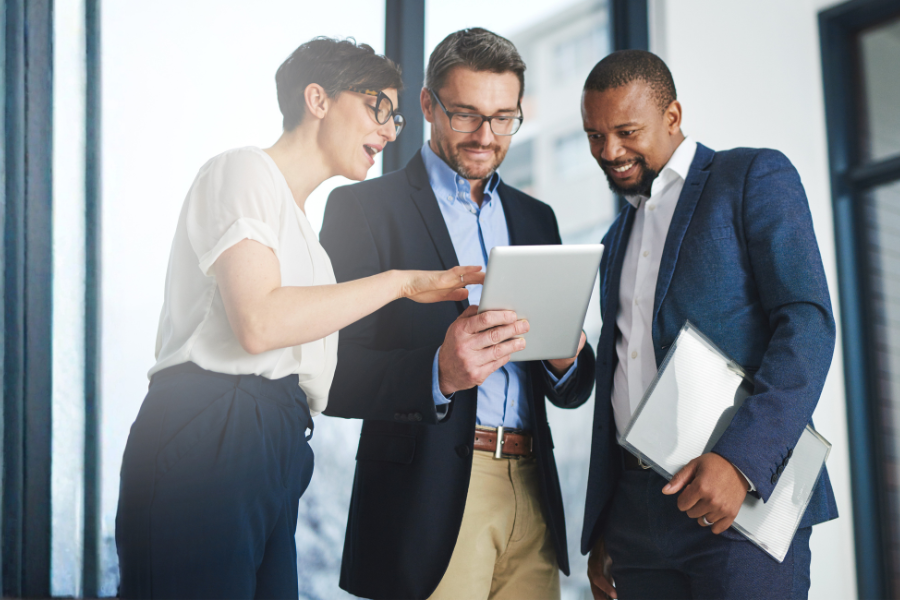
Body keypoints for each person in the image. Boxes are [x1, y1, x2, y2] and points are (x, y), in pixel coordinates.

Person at [114, 37, 484, 599]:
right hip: (213, 425)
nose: (389, 132)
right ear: (317, 99)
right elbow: (259, 322)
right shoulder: (242, 171)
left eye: (395, 117)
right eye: (377, 108)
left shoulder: (307, 239)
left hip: (277, 440)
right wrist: (400, 283)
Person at [319, 28, 596, 600]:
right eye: (467, 115)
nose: (486, 136)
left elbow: (572, 392)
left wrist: (569, 355)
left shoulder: (536, 218)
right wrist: (438, 373)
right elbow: (332, 376)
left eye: (503, 118)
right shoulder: (364, 210)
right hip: (430, 500)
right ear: (427, 105)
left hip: (533, 493)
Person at [580, 50, 838, 600]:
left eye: (626, 132)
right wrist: (607, 522)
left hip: (741, 500)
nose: (610, 152)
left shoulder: (750, 176)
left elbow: (808, 323)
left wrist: (740, 463)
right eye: (594, 136)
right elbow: (620, 370)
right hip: (635, 518)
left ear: (673, 116)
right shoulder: (615, 237)